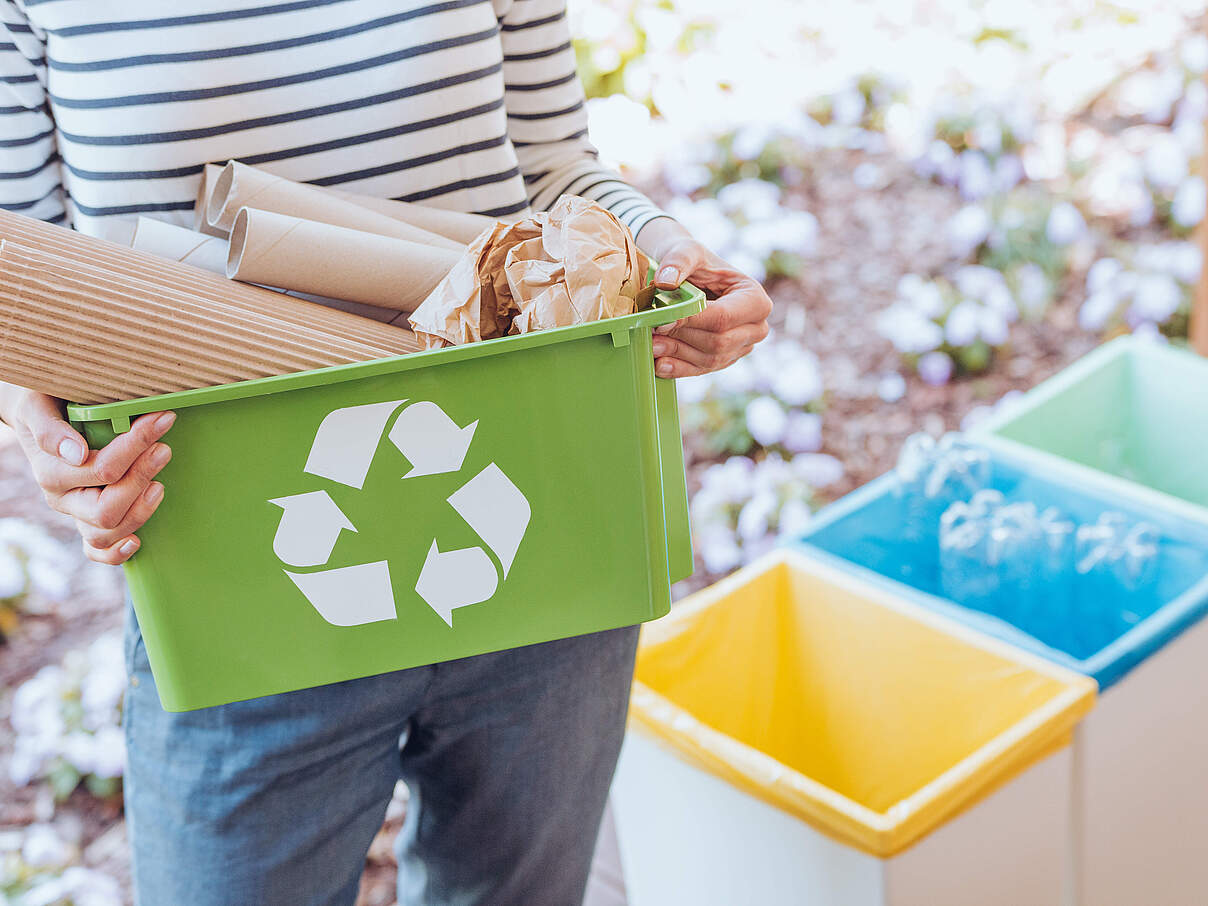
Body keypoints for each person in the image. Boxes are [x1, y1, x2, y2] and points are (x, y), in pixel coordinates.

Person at [0, 1, 771, 903]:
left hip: (534, 505)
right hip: (231, 555)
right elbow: (29, 271)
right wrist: (44, 433)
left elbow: (554, 166)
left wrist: (665, 253)